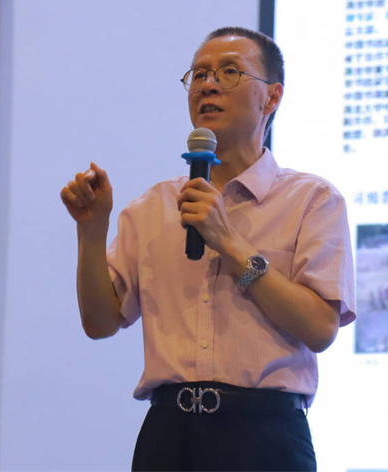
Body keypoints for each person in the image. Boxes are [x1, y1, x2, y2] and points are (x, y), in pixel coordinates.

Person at [60, 27, 356, 472]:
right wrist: (91, 230)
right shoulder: (151, 207)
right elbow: (100, 323)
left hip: (266, 436)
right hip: (168, 435)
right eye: (198, 75)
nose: (208, 85)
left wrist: (230, 244)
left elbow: (319, 328)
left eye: (229, 72)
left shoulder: (312, 200)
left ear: (272, 97)